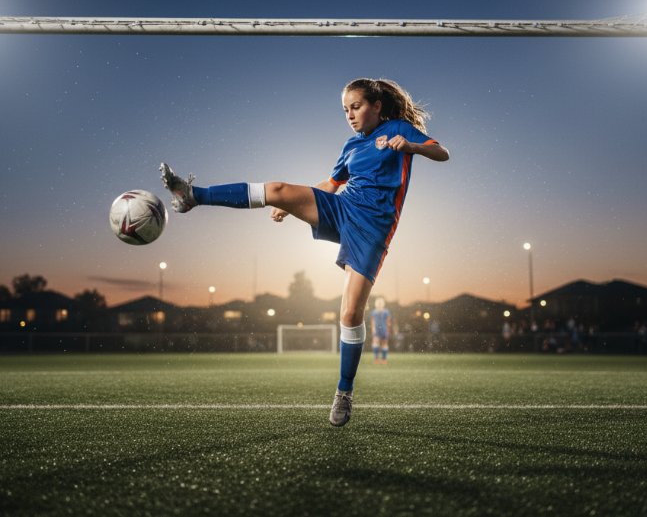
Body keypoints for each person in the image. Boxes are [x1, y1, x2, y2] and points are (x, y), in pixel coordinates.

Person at [160, 77, 450, 427]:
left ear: (376, 105)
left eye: (356, 107)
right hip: (343, 209)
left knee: (349, 314)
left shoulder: (400, 130)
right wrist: (291, 205)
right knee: (279, 188)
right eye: (345, 110)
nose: (350, 115)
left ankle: (344, 392)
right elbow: (331, 184)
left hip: (373, 229)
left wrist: (411, 146)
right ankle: (195, 195)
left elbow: (441, 152)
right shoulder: (351, 146)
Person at [370, 297, 393, 364]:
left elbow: (388, 322)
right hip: (376, 330)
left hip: (384, 329)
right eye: (378, 302)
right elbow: (373, 321)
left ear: (383, 303)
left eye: (381, 302)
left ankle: (384, 359)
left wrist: (388, 330)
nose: (379, 304)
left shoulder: (386, 311)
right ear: (376, 304)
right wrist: (373, 329)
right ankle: (376, 359)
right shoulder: (374, 312)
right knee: (375, 343)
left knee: (384, 343)